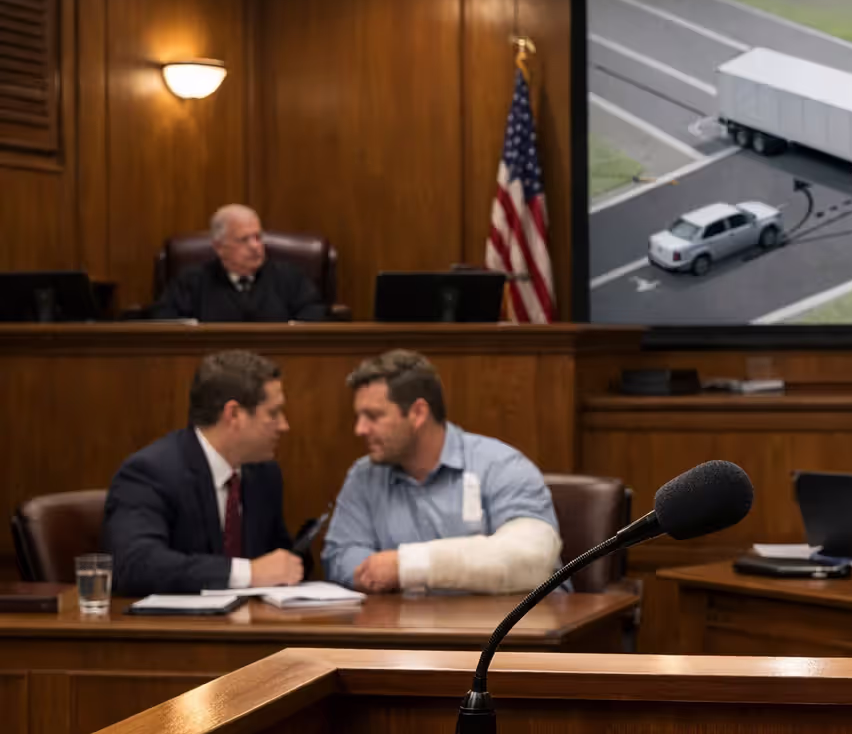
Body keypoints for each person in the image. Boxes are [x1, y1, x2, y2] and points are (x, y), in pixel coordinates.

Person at [322, 350, 563, 593]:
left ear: (418, 413)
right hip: (408, 625)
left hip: (508, 626)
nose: (360, 429)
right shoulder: (365, 476)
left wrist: (406, 567)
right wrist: (373, 571)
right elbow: (341, 555)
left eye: (373, 416)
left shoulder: (502, 466)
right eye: (359, 416)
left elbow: (530, 557)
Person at [103, 351, 303, 595]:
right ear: (234, 415)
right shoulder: (150, 472)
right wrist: (247, 573)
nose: (284, 425)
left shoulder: (263, 474)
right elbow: (135, 565)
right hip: (176, 630)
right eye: (273, 413)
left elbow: (274, 561)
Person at [151, 204, 326, 322]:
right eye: (244, 240)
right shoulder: (191, 282)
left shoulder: (289, 278)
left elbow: (315, 314)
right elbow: (166, 321)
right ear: (219, 247)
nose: (255, 247)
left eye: (258, 237)